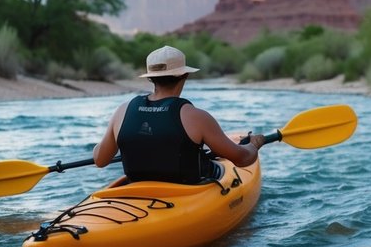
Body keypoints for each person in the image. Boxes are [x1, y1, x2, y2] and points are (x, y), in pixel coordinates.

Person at [92, 45, 266, 183]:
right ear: (185, 75)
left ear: (150, 78)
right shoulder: (197, 117)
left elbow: (100, 160)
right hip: (184, 195)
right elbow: (243, 159)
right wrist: (254, 144)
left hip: (137, 192)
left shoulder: (122, 111)